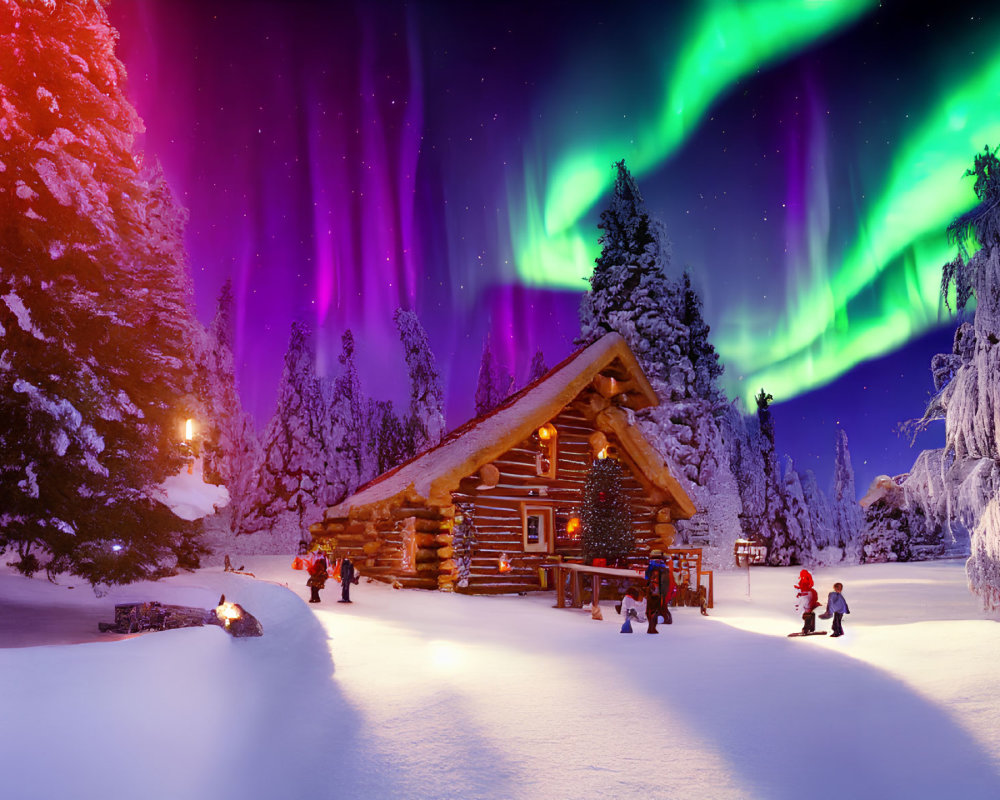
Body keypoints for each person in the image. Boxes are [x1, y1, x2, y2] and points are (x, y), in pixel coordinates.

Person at [644, 559, 675, 634]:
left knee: (651, 610)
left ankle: (651, 627)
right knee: (655, 610)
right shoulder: (663, 572)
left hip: (653, 592)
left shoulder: (652, 571)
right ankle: (652, 628)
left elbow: (647, 579)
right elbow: (665, 585)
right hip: (657, 593)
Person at [794, 569, 821, 633]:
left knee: (807, 615)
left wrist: (798, 610)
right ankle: (811, 627)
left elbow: (804, 598)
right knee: (810, 614)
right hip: (809, 602)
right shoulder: (805, 581)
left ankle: (806, 629)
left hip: (808, 604)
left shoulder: (805, 581)